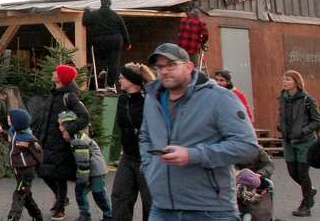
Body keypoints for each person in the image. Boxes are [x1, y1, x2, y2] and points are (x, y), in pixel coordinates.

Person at [140, 42, 259, 220]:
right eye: (159, 66)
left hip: (209, 210)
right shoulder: (152, 98)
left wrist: (194, 155)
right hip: (162, 207)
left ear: (189, 67)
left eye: (172, 65)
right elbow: (145, 136)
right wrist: (150, 168)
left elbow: (247, 146)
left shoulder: (219, 98)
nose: (164, 71)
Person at [34, 64, 90, 221]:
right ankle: (61, 198)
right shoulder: (54, 94)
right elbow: (45, 120)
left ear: (61, 78)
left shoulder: (70, 96)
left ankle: (60, 208)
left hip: (60, 144)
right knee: (42, 171)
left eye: (56, 72)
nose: (53, 73)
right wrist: (38, 138)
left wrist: (68, 129)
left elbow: (84, 117)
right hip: (47, 142)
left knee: (59, 176)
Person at [113, 63, 154, 221]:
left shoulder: (149, 100)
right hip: (128, 156)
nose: (119, 79)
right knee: (120, 197)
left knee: (150, 203)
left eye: (122, 77)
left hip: (147, 158)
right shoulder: (123, 99)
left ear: (132, 80)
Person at [279, 69, 320, 216]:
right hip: (288, 141)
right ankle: (310, 190)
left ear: (296, 82)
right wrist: (281, 127)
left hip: (305, 142)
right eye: (284, 79)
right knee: (292, 173)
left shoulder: (307, 100)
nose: (285, 81)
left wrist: (303, 131)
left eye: (288, 79)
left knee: (303, 173)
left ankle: (306, 205)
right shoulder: (283, 98)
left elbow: (317, 121)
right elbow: (282, 116)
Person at [59, 110, 112, 221]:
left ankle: (109, 216)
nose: (59, 128)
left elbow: (83, 163)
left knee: (99, 194)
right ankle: (85, 215)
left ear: (67, 126)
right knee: (80, 191)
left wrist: (83, 179)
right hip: (88, 170)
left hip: (96, 170)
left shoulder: (78, 141)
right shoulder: (74, 138)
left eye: (61, 125)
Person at [0, 108, 44, 221]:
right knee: (26, 196)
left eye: (10, 118)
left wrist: (36, 165)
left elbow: (39, 152)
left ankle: (13, 218)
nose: (8, 118)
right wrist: (1, 132)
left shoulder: (28, 138)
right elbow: (10, 139)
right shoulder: (13, 132)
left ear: (18, 122)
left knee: (19, 195)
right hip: (18, 172)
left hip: (26, 173)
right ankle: (37, 216)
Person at [82, 0, 131, 89]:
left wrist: (86, 11)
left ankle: (103, 69)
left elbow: (85, 22)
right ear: (110, 4)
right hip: (115, 40)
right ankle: (110, 83)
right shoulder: (116, 15)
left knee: (101, 56)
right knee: (114, 61)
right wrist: (128, 43)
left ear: (101, 3)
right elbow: (123, 29)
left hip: (100, 40)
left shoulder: (95, 14)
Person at [236, 148, 275, 221]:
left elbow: (270, 164)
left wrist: (260, 174)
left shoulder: (257, 149)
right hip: (238, 180)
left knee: (262, 205)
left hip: (258, 180)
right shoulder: (231, 150)